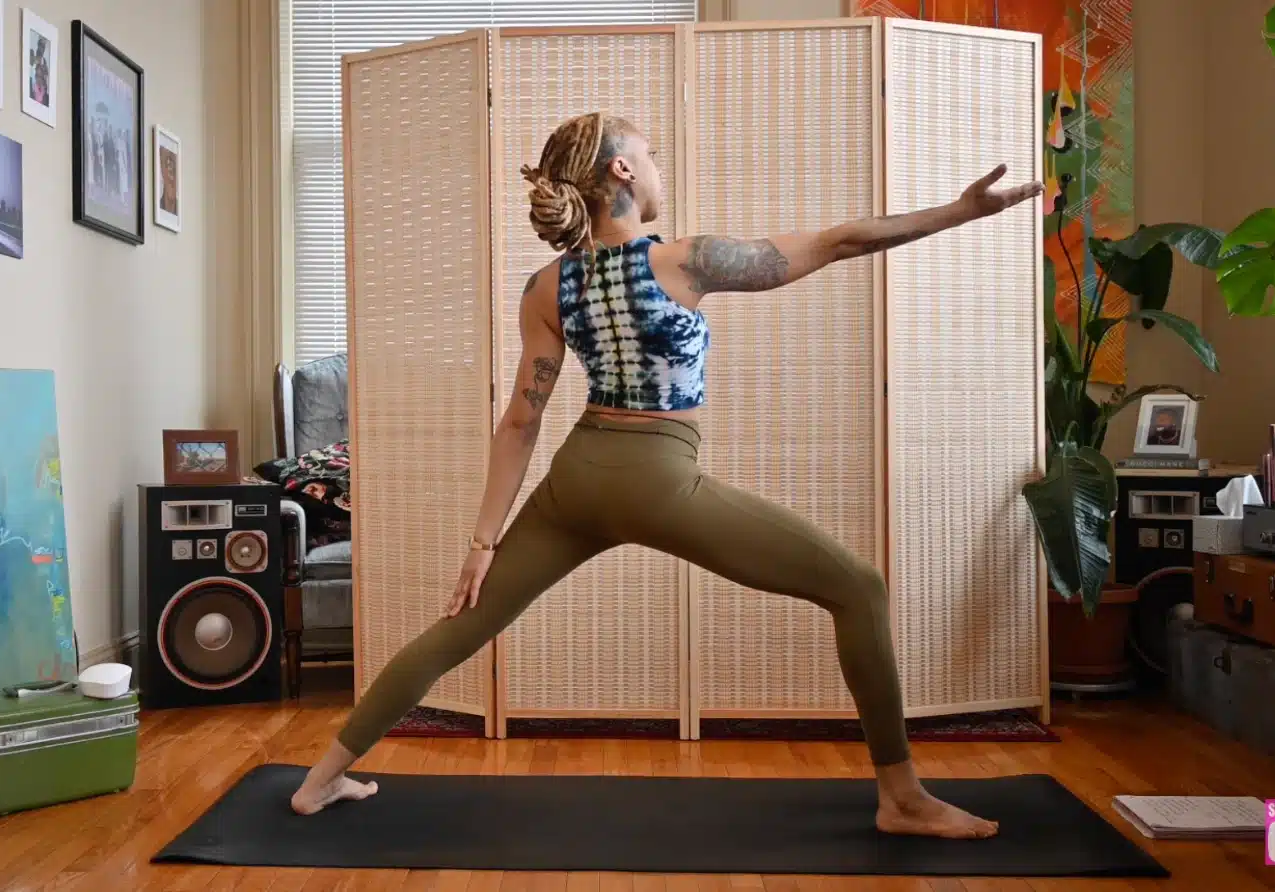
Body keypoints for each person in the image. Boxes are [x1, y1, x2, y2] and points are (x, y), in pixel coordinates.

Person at [290, 112, 1043, 839]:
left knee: (460, 628)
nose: (656, 167)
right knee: (859, 588)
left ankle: (319, 779)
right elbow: (839, 242)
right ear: (621, 170)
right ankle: (902, 797)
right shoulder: (686, 259)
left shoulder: (547, 286)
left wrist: (483, 542)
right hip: (658, 482)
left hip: (576, 482)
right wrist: (958, 211)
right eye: (646, 154)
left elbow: (521, 420)